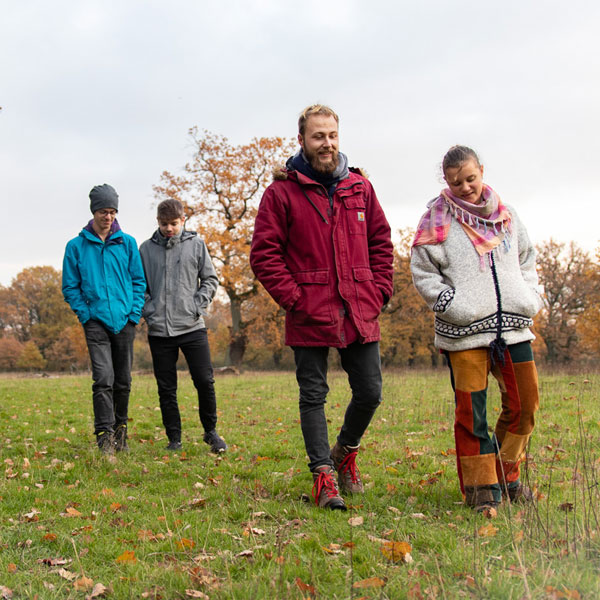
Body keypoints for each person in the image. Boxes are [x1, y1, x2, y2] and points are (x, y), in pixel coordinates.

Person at [250, 105, 394, 511]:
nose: (326, 143)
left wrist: (379, 290)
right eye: (318, 136)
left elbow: (382, 243)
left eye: (332, 135)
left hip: (359, 306)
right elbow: (264, 255)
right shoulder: (281, 193)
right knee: (313, 394)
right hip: (309, 309)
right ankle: (323, 476)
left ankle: (345, 452)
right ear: (302, 140)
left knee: (370, 391)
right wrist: (295, 299)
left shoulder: (360, 188)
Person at [410, 145, 542, 514]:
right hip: (463, 334)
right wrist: (451, 305)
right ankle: (481, 487)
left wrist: (529, 295)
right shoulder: (436, 221)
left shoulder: (509, 215)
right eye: (457, 183)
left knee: (525, 406)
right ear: (447, 182)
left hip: (515, 328)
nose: (466, 187)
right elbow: (422, 272)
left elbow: (527, 258)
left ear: (481, 171)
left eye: (470, 178)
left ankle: (506, 474)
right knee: (473, 414)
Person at [62, 184, 145, 454]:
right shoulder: (76, 246)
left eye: (111, 211)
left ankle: (121, 434)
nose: (107, 217)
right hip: (95, 321)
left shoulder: (127, 243)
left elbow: (138, 281)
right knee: (103, 379)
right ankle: (104, 438)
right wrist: (85, 314)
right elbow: (70, 286)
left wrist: (133, 314)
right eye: (102, 211)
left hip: (125, 321)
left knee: (123, 381)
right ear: (93, 212)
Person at [139, 199, 226, 454]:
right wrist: (150, 311)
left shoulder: (197, 245)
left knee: (204, 381)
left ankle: (211, 433)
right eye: (164, 224)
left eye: (174, 224)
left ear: (183, 221)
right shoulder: (145, 250)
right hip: (159, 331)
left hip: (192, 327)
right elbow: (140, 286)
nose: (169, 229)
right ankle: (174, 439)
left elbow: (210, 279)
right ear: (158, 222)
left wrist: (197, 306)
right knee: (166, 387)